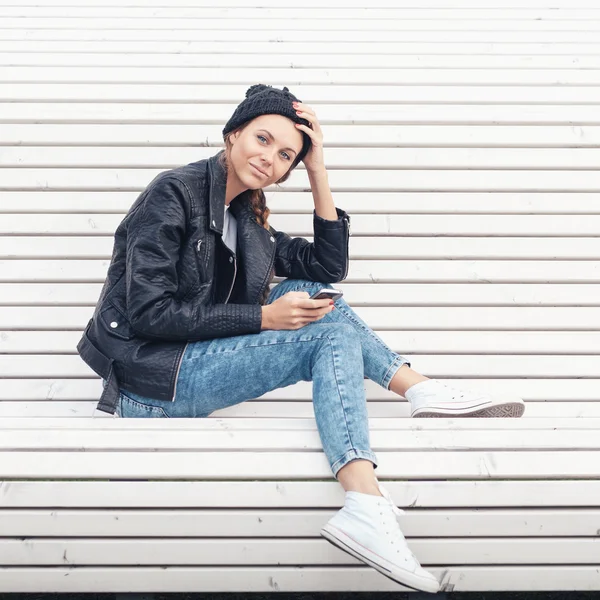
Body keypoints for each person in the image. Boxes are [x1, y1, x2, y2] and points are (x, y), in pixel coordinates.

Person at [76, 83, 525, 594]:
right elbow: (149, 312)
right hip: (149, 383)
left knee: (312, 290)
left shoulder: (246, 218)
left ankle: (417, 392)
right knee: (328, 335)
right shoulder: (174, 192)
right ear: (233, 134)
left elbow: (329, 267)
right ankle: (365, 499)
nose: (269, 158)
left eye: (285, 154)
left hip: (188, 363)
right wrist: (264, 318)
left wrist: (318, 171)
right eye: (263, 140)